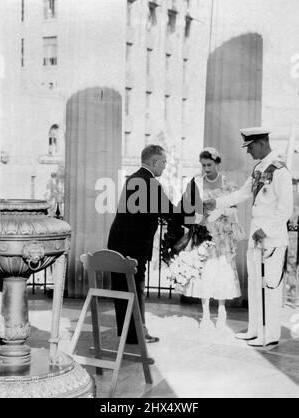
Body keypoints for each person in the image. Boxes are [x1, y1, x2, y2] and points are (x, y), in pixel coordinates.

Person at [204, 127, 293, 346]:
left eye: (251, 147)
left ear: (262, 143)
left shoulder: (280, 171)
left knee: (270, 287)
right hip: (256, 238)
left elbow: (286, 209)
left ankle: (270, 336)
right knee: (254, 285)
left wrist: (267, 230)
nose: (248, 152)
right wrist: (217, 202)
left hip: (271, 240)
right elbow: (243, 193)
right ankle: (255, 330)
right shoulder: (259, 169)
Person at [108, 144, 201, 345]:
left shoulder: (133, 179)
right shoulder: (149, 183)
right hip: (134, 247)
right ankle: (138, 334)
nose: (165, 166)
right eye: (164, 162)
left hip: (117, 243)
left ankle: (129, 335)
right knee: (136, 288)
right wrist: (195, 218)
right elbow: (170, 213)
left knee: (124, 290)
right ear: (155, 162)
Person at [168, 148, 244, 330]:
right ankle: (206, 314)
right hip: (203, 233)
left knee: (222, 272)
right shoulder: (196, 183)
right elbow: (185, 209)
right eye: (203, 165)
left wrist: (220, 211)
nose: (206, 168)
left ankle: (222, 311)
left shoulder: (227, 184)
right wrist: (198, 217)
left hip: (223, 235)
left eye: (209, 165)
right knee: (205, 273)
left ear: (217, 163)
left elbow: (234, 209)